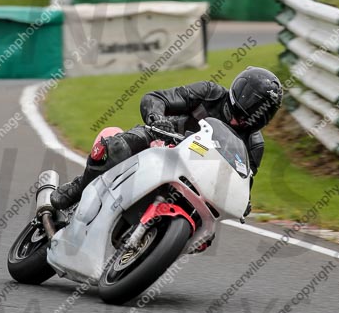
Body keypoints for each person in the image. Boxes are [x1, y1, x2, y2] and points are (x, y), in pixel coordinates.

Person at [51, 66, 283, 213]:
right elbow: (157, 98)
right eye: (248, 106)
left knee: (206, 237)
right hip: (164, 142)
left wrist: (244, 203)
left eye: (258, 112)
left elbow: (243, 183)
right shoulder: (210, 93)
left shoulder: (254, 146)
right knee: (119, 147)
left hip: (198, 180)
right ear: (237, 92)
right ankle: (79, 188)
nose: (244, 119)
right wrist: (156, 118)